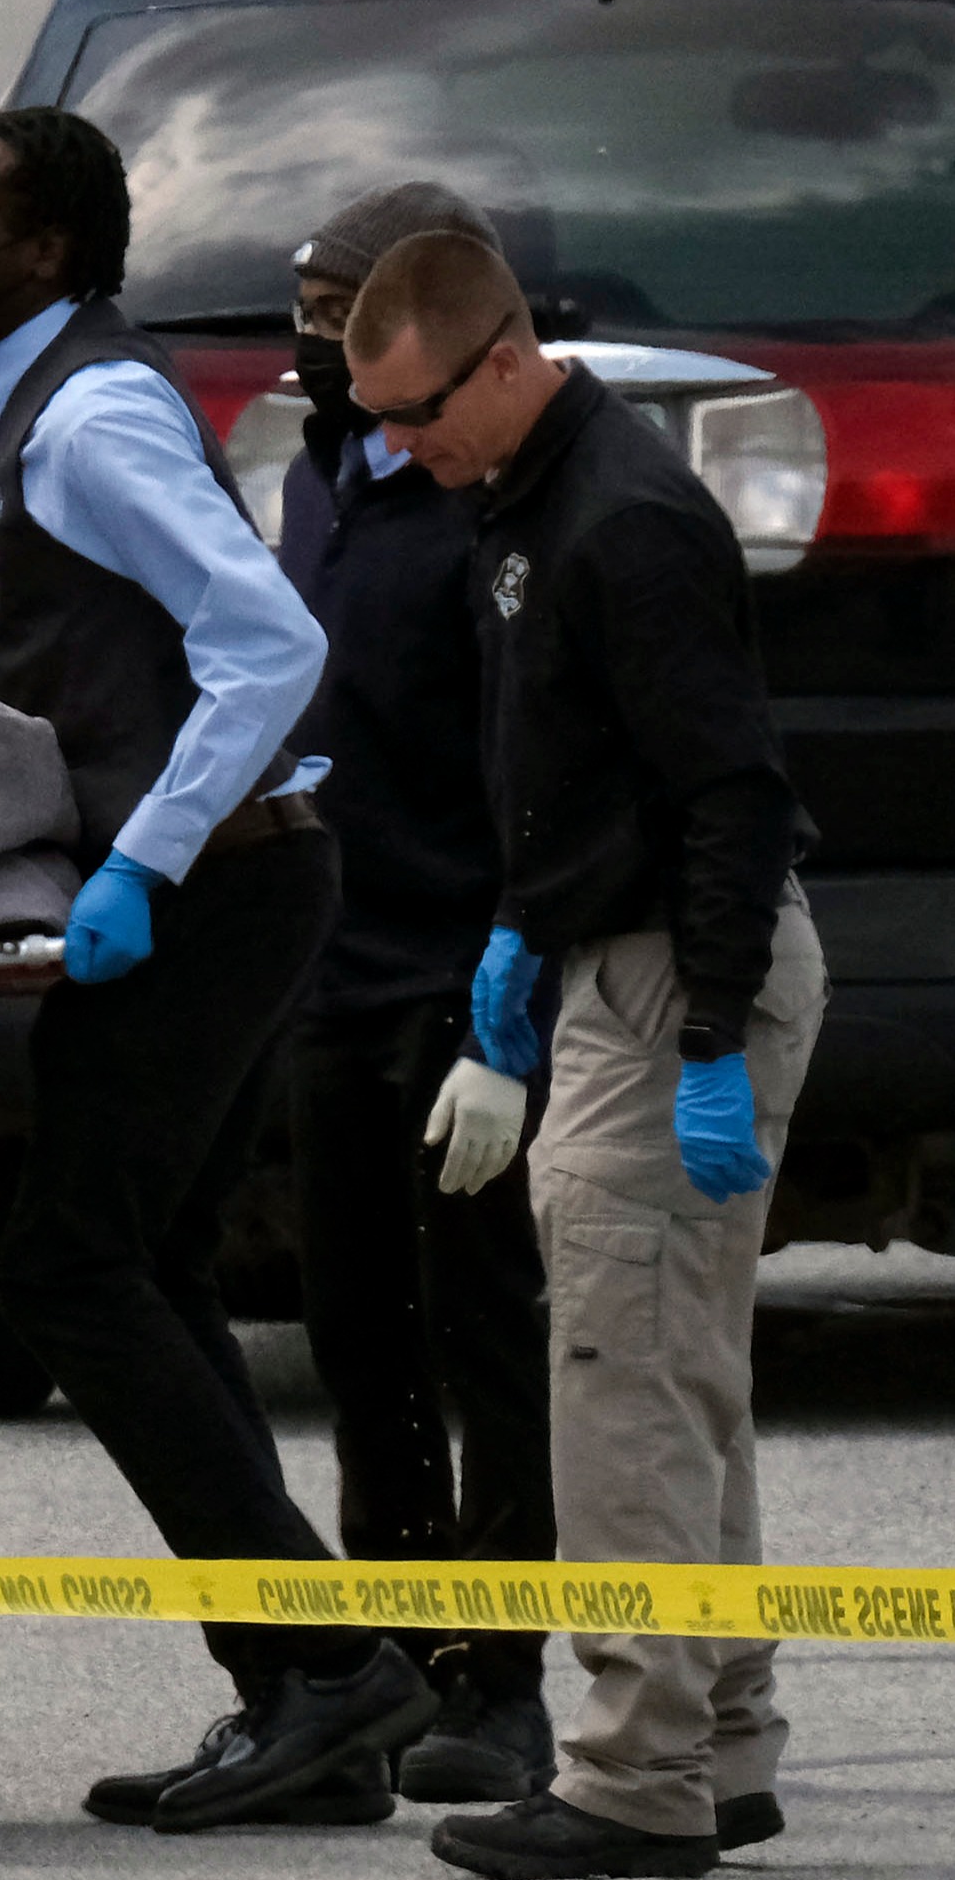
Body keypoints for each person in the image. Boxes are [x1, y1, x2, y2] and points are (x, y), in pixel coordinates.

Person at [0, 108, 431, 1835]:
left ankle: (329, 1667)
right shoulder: (17, 391)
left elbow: (269, 638)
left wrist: (144, 859)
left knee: (67, 1266)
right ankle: (302, 1690)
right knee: (150, 1258)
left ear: (49, 251)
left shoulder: (99, 412)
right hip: (214, 882)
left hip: (220, 888)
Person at [343, 232, 820, 1880]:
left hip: (682, 972)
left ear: (498, 360)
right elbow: (574, 770)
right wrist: (522, 934)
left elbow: (732, 792)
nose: (398, 451)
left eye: (412, 413)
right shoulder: (519, 505)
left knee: (616, 1386)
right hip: (605, 957)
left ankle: (632, 1778)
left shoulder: (624, 521)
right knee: (684, 1378)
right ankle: (724, 1742)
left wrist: (702, 1033)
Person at [275, 185, 559, 1807]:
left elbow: (531, 773)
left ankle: (504, 1676)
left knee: (484, 1333)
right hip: (333, 966)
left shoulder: (482, 513)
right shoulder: (332, 484)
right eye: (306, 315)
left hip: (460, 986)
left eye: (343, 317)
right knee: (353, 1330)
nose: (318, 348)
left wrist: (499, 1013)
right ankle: (389, 1651)